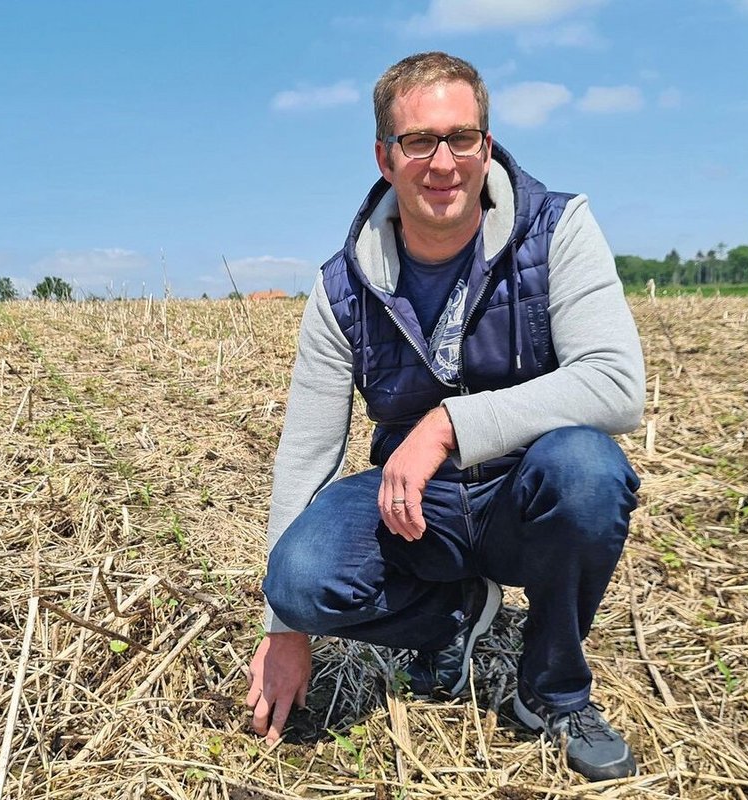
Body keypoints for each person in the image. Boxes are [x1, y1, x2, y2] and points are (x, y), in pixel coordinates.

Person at [244, 51, 645, 781]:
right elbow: (308, 451)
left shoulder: (557, 231)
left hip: (526, 494)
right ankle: (459, 613)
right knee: (297, 577)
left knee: (588, 470)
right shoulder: (343, 287)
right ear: (383, 156)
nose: (442, 162)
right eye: (418, 141)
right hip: (415, 511)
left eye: (461, 138)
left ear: (486, 146)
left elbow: (616, 385)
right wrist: (286, 626)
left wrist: (448, 425)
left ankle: (551, 692)